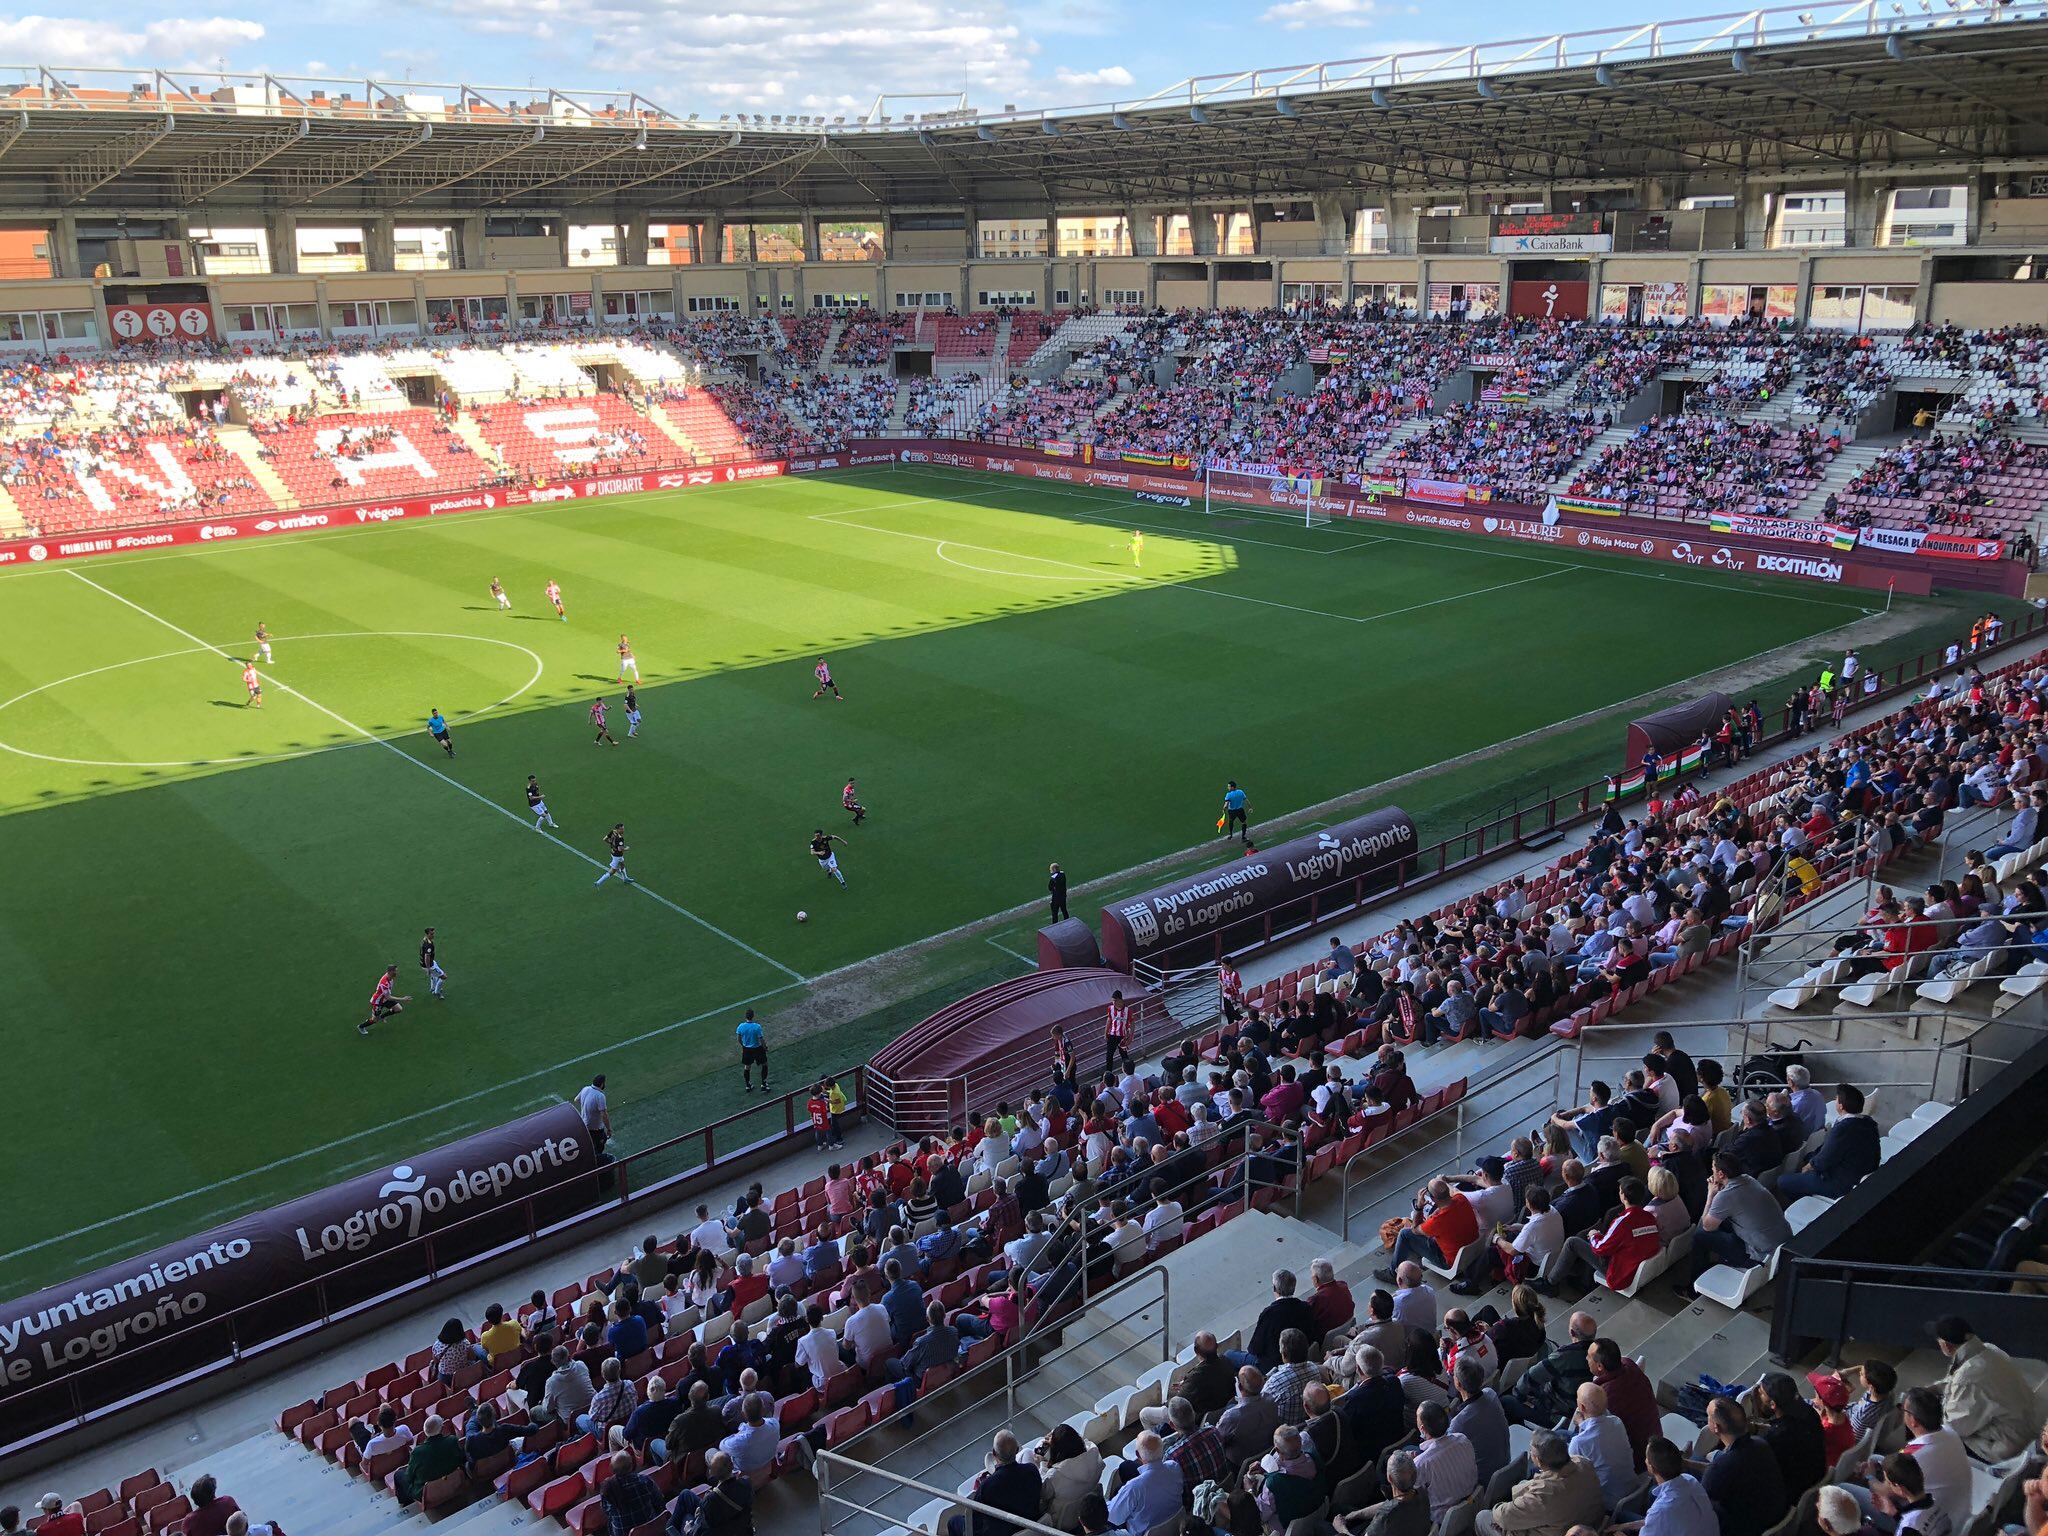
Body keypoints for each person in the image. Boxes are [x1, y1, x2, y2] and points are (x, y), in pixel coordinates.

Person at [1685, 1153, 1792, 1296]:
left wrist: (1710, 1195)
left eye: (1713, 1170)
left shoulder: (1725, 1197)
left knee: (1700, 1236)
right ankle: (1722, 1261)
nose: (1712, 1173)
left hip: (1760, 1256)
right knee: (1722, 1222)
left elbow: (1707, 1226)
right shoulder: (1749, 1180)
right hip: (1782, 1244)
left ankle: (1693, 1290)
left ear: (1721, 1174)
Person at [1931, 1314, 2034, 1462]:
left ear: (1946, 1346)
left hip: (2002, 1446)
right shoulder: (1990, 1350)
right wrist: (1933, 1389)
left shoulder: (1968, 1378)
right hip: (2023, 1427)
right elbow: (1955, 1381)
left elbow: (1955, 1428)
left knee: (1935, 1435)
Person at [1697, 1396, 1787, 1536]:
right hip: (1774, 1516)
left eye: (1708, 1416)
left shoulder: (1720, 1468)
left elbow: (1700, 1503)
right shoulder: (1761, 1444)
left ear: (1716, 1427)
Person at [1781, 1085, 1881, 1201]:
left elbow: (1824, 1160)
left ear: (1841, 1106)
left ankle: (1807, 1200)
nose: (1835, 1101)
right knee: (1809, 1157)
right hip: (1859, 1171)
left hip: (1840, 1183)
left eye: (1836, 1099)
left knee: (1783, 1181)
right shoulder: (1868, 1123)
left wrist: (1809, 1166)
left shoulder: (1844, 1129)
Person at [948, 1430, 1042, 1536]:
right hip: (1030, 1527)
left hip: (1003, 1531)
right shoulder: (1031, 1470)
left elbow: (975, 1522)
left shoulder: (987, 1486)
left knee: (953, 1521)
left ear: (993, 1453)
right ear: (1017, 1450)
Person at [1334, 1449, 1433, 1536]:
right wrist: (1356, 1514)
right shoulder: (1422, 1492)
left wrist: (1341, 1529)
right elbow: (1390, 1504)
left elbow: (1388, 1510)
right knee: (1341, 1510)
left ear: (1389, 1478)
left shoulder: (1385, 1517)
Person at [1106, 1432, 1183, 1535]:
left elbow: (1112, 1517)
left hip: (1143, 1532)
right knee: (1126, 1466)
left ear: (1137, 1455)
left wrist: (1107, 1501)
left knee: (1117, 1494)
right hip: (1174, 1524)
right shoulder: (1174, 1467)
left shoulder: (1133, 1488)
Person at [666, 1450, 751, 1536]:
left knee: (683, 1518)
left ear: (711, 1473)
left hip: (718, 1530)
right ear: (732, 1465)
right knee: (685, 1494)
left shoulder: (710, 1501)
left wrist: (689, 1530)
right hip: (738, 1528)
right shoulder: (746, 1484)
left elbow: (703, 1531)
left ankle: (668, 1531)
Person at [395, 1415, 463, 1504]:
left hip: (426, 1492)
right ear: (442, 1428)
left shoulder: (417, 1452)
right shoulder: (452, 1440)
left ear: (425, 1432)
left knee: (399, 1474)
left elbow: (409, 1477)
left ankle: (406, 1502)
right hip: (454, 1482)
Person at [599, 1451, 665, 1536]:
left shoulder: (607, 1488)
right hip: (650, 1530)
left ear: (612, 1469)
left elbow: (607, 1512)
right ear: (631, 1465)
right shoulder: (644, 1480)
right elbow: (659, 1499)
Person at [359, 963, 410, 1037]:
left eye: (396, 971)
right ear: (389, 972)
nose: (396, 973)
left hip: (385, 999)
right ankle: (361, 1026)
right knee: (375, 1020)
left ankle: (382, 1016)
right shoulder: (384, 983)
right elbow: (389, 997)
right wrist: (403, 999)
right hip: (378, 1002)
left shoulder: (390, 978)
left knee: (398, 1009)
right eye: (394, 971)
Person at [736, 1008, 769, 1093]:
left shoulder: (741, 1026)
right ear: (753, 1016)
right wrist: (765, 1047)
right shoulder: (757, 1027)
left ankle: (748, 1085)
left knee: (747, 1067)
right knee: (764, 1064)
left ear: (745, 1016)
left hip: (747, 1049)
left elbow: (739, 1039)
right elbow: (761, 1039)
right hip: (757, 1049)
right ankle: (764, 1084)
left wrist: (744, 1045)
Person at [577, 1075, 612, 1152]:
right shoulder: (600, 1096)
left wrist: (586, 1106)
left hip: (584, 1125)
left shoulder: (585, 1089)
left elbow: (576, 1099)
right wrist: (609, 1129)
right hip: (595, 1128)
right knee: (599, 1147)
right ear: (602, 1084)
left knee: (590, 1145)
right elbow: (604, 1115)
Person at [418, 926, 445, 1000]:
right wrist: (429, 968)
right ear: (427, 934)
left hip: (427, 963)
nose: (433, 935)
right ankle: (437, 992)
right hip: (429, 965)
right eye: (431, 934)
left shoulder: (424, 940)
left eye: (433, 933)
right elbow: (427, 956)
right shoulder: (429, 944)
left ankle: (432, 988)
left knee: (434, 975)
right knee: (443, 977)